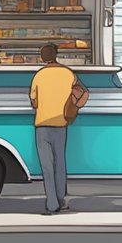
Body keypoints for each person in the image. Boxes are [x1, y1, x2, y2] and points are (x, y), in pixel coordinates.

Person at [29, 43, 86, 216]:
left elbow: (34, 101)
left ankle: (52, 203)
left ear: (42, 58)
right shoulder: (68, 73)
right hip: (61, 124)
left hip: (42, 125)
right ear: (56, 55)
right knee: (60, 163)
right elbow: (81, 92)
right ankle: (61, 200)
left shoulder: (39, 75)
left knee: (47, 166)